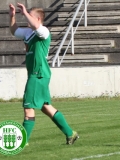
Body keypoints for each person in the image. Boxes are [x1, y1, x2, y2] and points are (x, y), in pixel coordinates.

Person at [9, 3, 79, 145]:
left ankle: (23, 141)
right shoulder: (29, 33)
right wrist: (12, 16)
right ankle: (71, 133)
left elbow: (35, 26)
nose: (27, 19)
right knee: (46, 107)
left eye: (30, 16)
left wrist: (25, 13)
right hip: (38, 74)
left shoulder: (44, 31)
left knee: (28, 107)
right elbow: (14, 31)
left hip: (38, 74)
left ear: (39, 19)